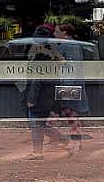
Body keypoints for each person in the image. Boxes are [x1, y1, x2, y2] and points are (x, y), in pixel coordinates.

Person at [22, 25, 70, 159]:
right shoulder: (52, 54)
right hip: (48, 94)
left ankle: (37, 153)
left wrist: (31, 99)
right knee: (40, 123)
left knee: (36, 123)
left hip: (40, 95)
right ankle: (60, 138)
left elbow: (37, 80)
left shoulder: (41, 56)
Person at [52, 22, 89, 141]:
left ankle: (74, 128)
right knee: (68, 106)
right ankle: (74, 128)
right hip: (70, 80)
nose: (54, 34)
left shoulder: (67, 45)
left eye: (57, 31)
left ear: (64, 33)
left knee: (67, 105)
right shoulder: (71, 44)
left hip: (68, 80)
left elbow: (68, 64)